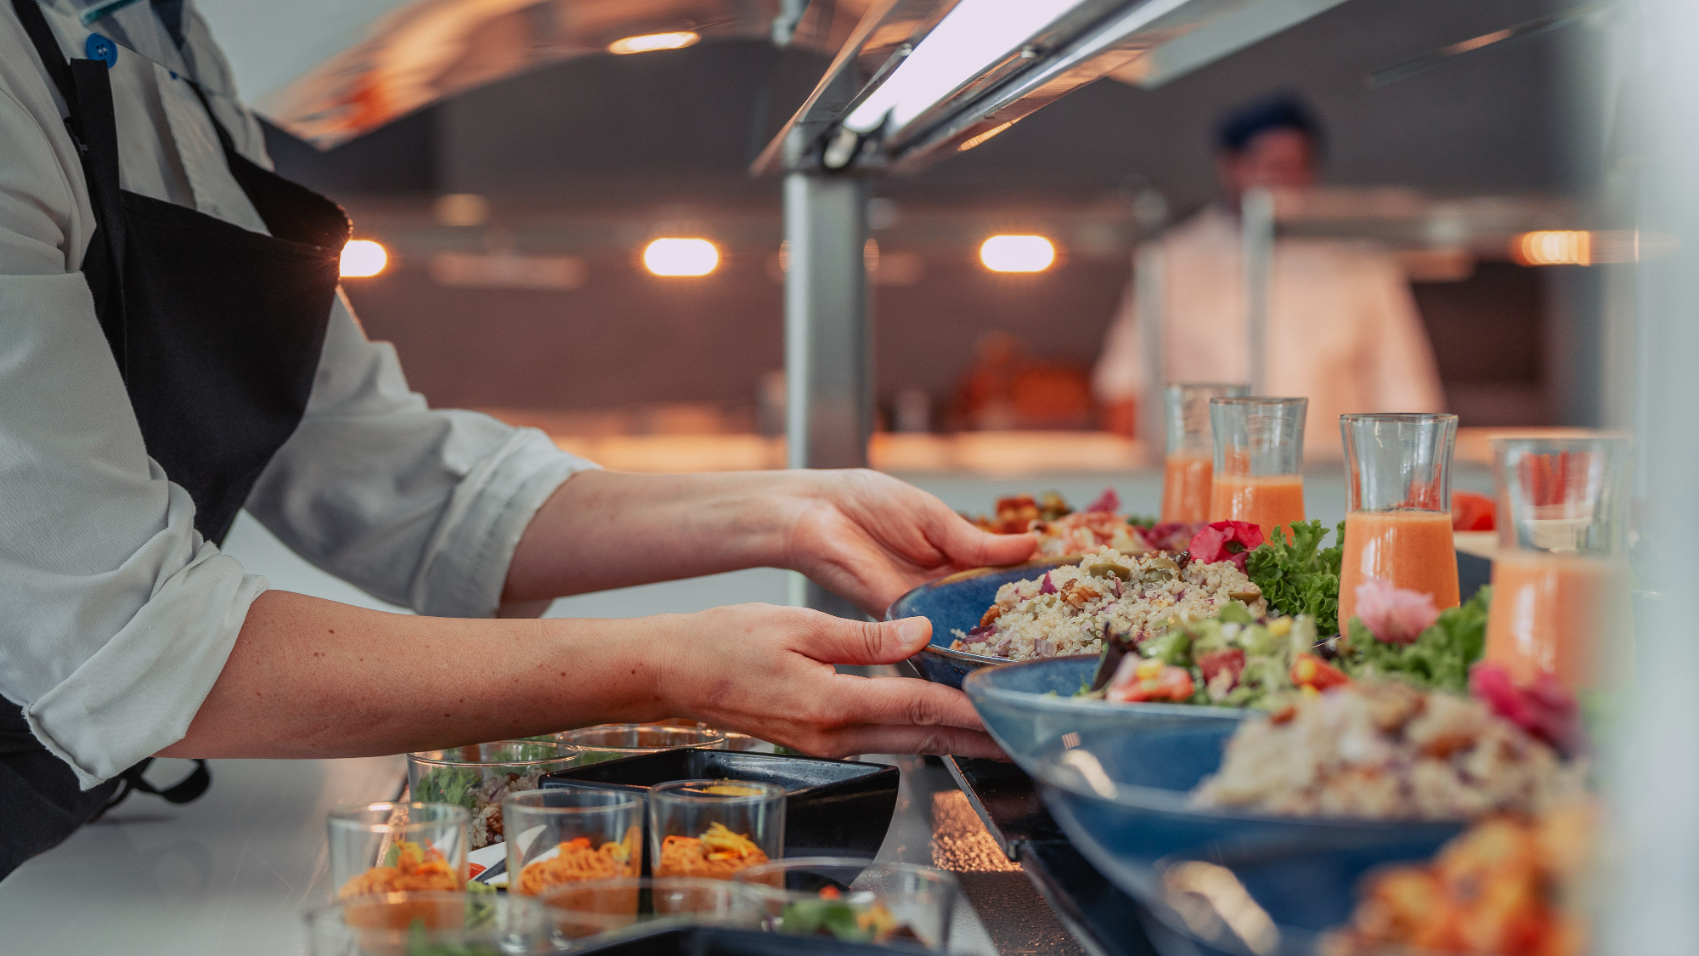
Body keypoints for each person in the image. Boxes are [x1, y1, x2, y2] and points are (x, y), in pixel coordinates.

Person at [0, 0, 1035, 879]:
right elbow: (130, 648)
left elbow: (397, 478)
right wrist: (671, 663)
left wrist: (795, 509)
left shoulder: (169, 40)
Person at [1094, 94, 1445, 455]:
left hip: (1329, 470)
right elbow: (1124, 387)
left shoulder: (1358, 260)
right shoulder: (1170, 259)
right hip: (1207, 466)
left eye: (1296, 166)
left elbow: (1403, 386)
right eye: (1270, 165)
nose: (1284, 179)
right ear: (1229, 165)